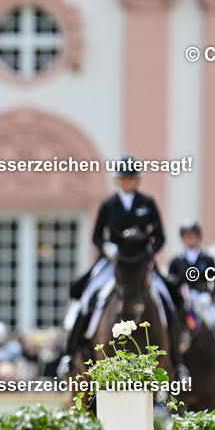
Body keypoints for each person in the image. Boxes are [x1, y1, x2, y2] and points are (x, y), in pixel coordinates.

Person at [64, 157, 180, 368]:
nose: (127, 181)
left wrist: (149, 251)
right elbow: (96, 236)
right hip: (114, 262)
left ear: (137, 180)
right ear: (117, 180)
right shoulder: (108, 205)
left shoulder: (147, 203)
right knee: (88, 298)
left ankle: (177, 362)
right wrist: (107, 247)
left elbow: (161, 236)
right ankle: (70, 356)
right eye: (123, 178)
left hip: (142, 264)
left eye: (131, 178)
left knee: (166, 300)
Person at [167, 219, 215, 386]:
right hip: (183, 303)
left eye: (192, 236)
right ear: (183, 239)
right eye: (186, 236)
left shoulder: (207, 259)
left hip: (204, 301)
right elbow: (171, 283)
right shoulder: (176, 261)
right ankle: (169, 370)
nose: (190, 239)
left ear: (198, 237)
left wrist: (210, 296)